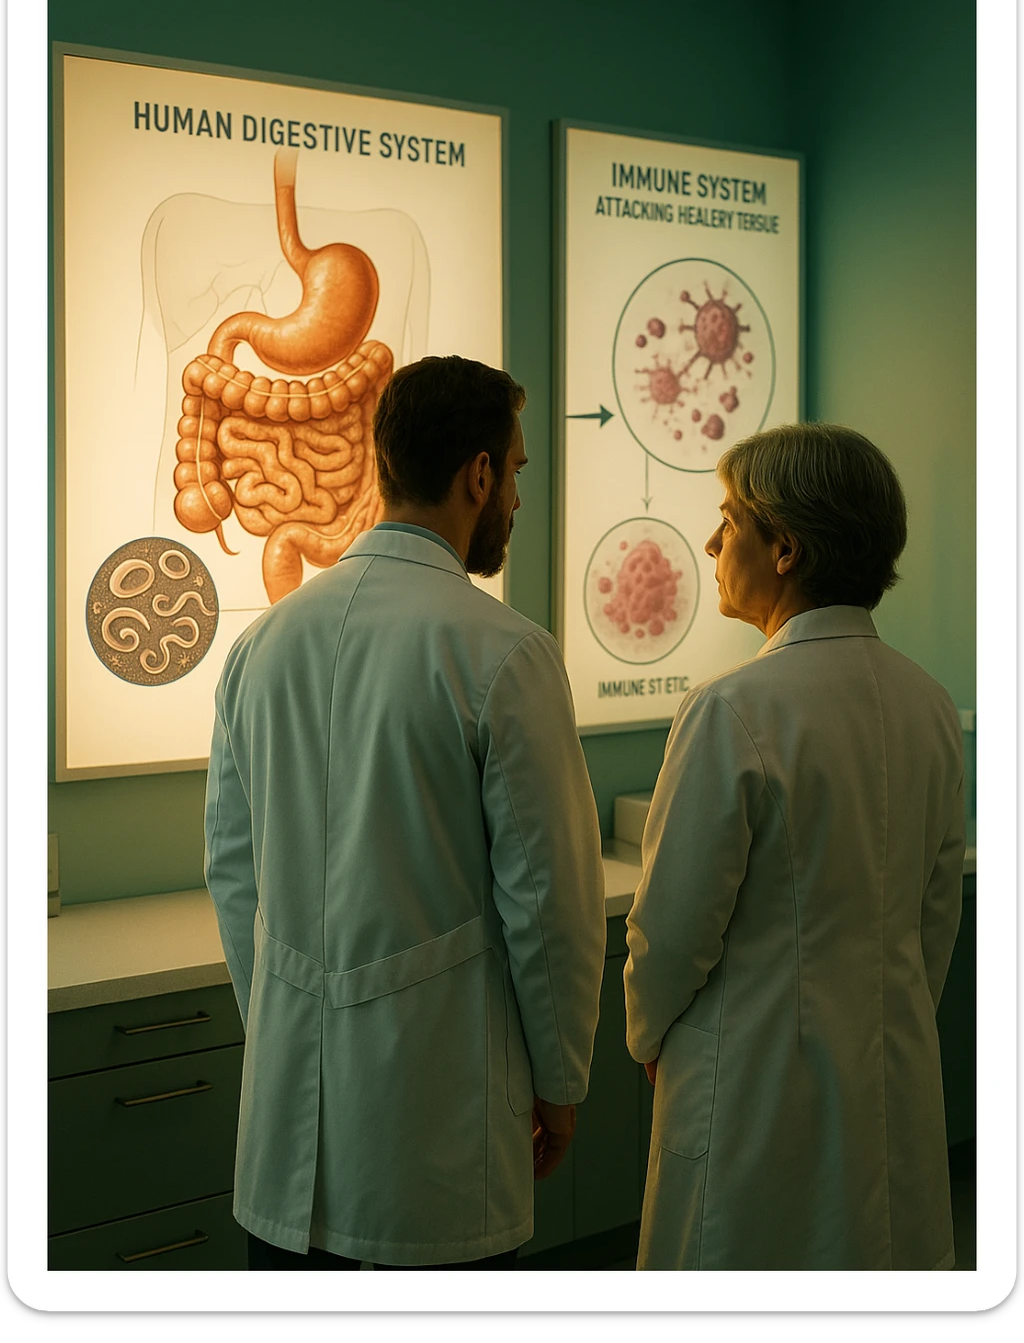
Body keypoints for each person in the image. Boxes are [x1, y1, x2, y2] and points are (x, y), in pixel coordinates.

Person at [204, 355, 606, 1270]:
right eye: (517, 471)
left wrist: (284, 1026)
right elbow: (549, 906)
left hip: (284, 1145)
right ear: (478, 474)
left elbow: (235, 877)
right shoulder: (505, 654)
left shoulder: (262, 647)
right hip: (434, 1145)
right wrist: (558, 1083)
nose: (514, 495)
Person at [623, 422, 965, 1271]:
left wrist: (646, 1040)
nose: (712, 540)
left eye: (730, 519)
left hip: (753, 1085)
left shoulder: (734, 709)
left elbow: (670, 934)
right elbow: (933, 921)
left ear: (785, 548)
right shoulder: (928, 704)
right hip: (888, 1076)